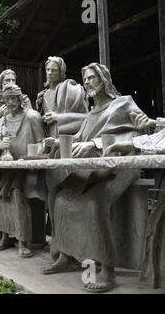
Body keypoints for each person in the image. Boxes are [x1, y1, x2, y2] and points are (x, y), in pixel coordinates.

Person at [42, 63, 146, 293]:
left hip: (120, 167)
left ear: (104, 79)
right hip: (93, 169)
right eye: (85, 79)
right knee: (58, 198)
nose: (87, 82)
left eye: (91, 78)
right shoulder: (91, 113)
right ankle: (66, 256)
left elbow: (143, 131)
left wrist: (95, 144)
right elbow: (80, 137)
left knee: (92, 204)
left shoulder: (123, 103)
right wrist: (59, 142)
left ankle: (107, 269)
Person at [0, 83, 45, 257]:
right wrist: (0, 145)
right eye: (6, 99)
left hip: (30, 169)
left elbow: (42, 143)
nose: (10, 103)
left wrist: (32, 156)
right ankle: (5, 236)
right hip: (10, 168)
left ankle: (22, 241)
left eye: (13, 98)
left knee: (15, 194)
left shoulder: (32, 117)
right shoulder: (3, 119)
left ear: (20, 99)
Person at [36, 56, 88, 138]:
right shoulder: (42, 96)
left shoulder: (70, 89)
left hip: (67, 138)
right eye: (48, 69)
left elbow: (86, 119)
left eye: (54, 70)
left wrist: (59, 118)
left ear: (61, 72)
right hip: (48, 140)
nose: (50, 72)